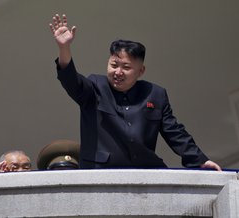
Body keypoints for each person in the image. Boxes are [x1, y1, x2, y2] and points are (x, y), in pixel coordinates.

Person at [49, 14, 222, 171]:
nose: (118, 72)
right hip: (101, 171)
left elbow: (175, 132)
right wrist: (64, 48)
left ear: (141, 71)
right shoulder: (95, 86)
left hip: (145, 171)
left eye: (126, 67)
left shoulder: (155, 94)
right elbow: (69, 79)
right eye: (114, 65)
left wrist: (199, 160)